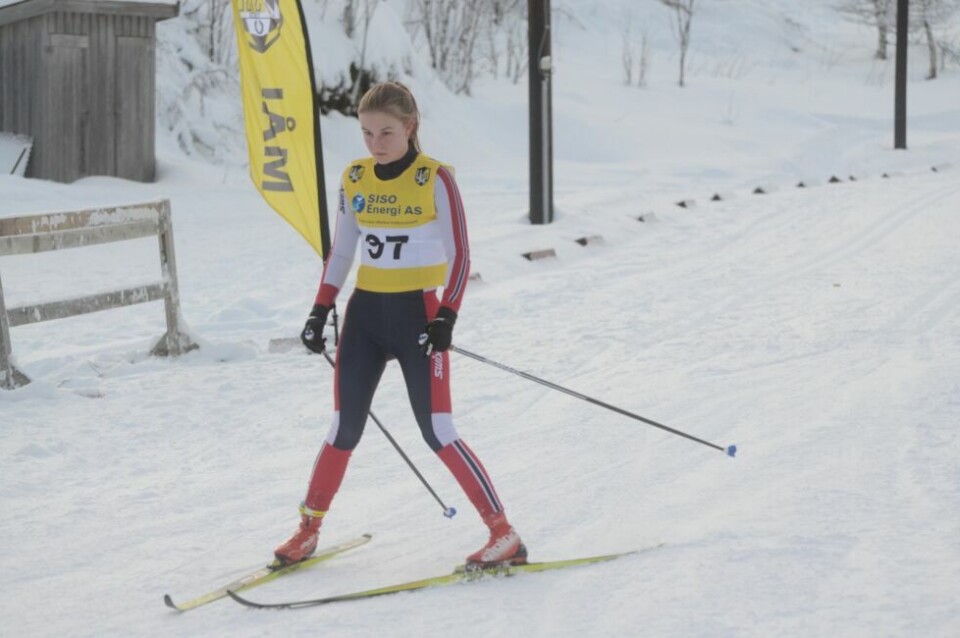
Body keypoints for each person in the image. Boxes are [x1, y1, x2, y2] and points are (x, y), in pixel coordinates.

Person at [274, 81, 526, 569]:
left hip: (420, 315)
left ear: (411, 127)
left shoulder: (435, 178)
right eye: (367, 133)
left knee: (437, 428)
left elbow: (461, 254)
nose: (376, 143)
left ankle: (503, 532)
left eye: (386, 132)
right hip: (365, 315)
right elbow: (342, 250)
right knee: (342, 427)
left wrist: (447, 315)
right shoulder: (354, 176)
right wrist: (320, 308)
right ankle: (307, 530)